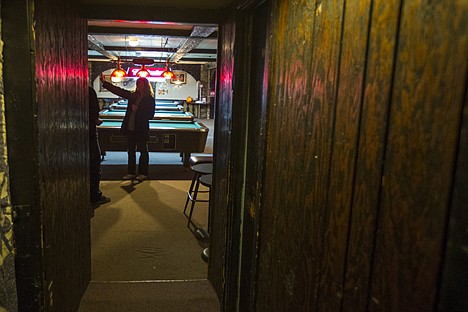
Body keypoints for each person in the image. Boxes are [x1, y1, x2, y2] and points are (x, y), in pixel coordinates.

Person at [100, 75, 156, 180]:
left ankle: (143, 173)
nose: (139, 86)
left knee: (143, 151)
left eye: (141, 84)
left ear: (146, 86)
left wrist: (137, 109)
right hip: (130, 127)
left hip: (141, 129)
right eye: (138, 84)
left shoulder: (149, 99)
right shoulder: (133, 95)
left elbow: (150, 116)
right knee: (131, 151)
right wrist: (105, 83)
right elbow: (119, 91)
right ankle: (131, 172)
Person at [89, 86, 111, 207]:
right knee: (94, 164)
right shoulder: (89, 91)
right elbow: (94, 114)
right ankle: (94, 195)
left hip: (84, 134)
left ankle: (91, 194)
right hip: (90, 133)